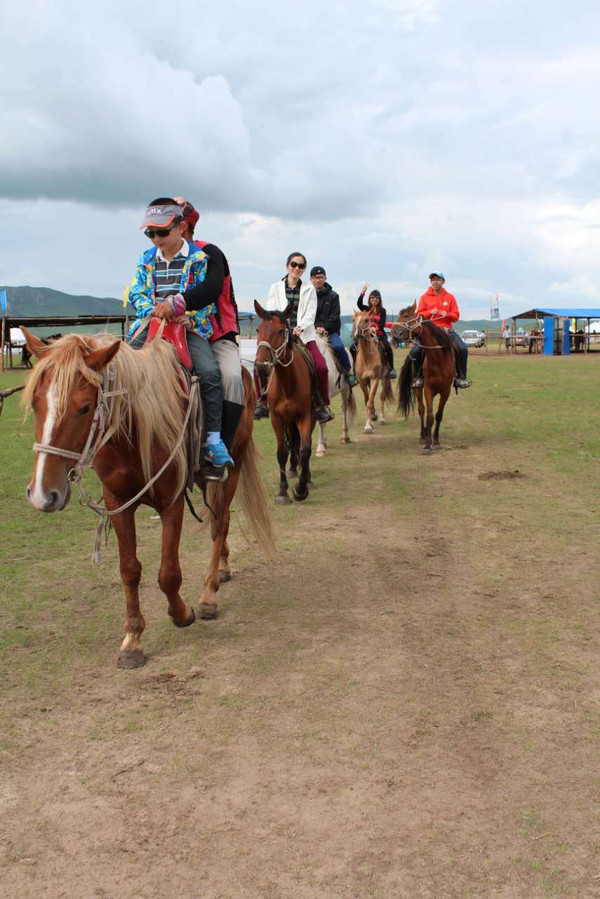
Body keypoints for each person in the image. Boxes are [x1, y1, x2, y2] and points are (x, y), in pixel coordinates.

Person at [125, 197, 234, 470]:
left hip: (188, 328)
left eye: (162, 231)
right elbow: (136, 293)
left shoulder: (200, 259)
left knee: (209, 372)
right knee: (118, 365)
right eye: (150, 233)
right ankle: (114, 433)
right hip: (151, 324)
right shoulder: (145, 259)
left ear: (180, 227)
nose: (156, 238)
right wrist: (153, 311)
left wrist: (189, 316)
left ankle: (213, 440)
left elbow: (206, 299)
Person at [173, 197, 244, 452]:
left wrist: (177, 304)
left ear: (182, 228)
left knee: (232, 378)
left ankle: (222, 444)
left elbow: (211, 289)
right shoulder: (161, 259)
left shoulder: (210, 252)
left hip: (215, 334)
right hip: (172, 332)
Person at [257, 253, 334, 423]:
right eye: (294, 264)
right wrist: (286, 327)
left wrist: (301, 327)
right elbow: (273, 311)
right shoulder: (275, 288)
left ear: (304, 269)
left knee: (321, 367)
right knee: (261, 362)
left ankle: (321, 405)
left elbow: (311, 313)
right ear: (287, 266)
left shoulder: (309, 289)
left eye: (300, 266)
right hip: (280, 334)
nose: (296, 268)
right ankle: (261, 402)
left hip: (304, 335)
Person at [410, 272, 471, 389]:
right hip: (429, 332)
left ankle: (461, 377)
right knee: (415, 351)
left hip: (446, 330)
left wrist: (447, 314)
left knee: (463, 349)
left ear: (443, 281)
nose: (435, 282)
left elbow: (456, 316)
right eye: (433, 280)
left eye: (438, 279)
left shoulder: (450, 297)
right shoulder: (424, 297)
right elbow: (418, 315)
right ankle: (418, 377)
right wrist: (429, 312)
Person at [310, 265, 358, 387]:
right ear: (311, 279)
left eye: (320, 277)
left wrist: (324, 328)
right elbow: (306, 315)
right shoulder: (308, 297)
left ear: (325, 278)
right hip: (311, 332)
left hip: (330, 332)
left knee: (339, 346)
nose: (318, 280)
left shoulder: (333, 296)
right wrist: (314, 328)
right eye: (315, 277)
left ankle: (349, 372)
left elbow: (335, 315)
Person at [354, 285, 397, 378]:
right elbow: (358, 303)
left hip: (379, 334)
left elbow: (382, 323)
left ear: (379, 299)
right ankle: (354, 370)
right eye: (372, 297)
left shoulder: (382, 310)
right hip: (366, 334)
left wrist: (375, 328)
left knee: (388, 347)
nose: (374, 299)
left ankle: (391, 369)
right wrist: (363, 292)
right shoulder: (366, 308)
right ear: (370, 299)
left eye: (377, 298)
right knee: (353, 347)